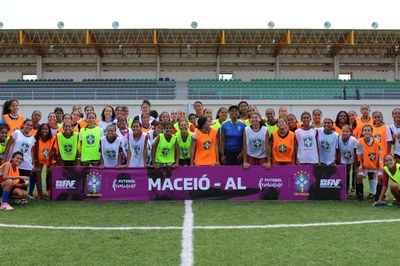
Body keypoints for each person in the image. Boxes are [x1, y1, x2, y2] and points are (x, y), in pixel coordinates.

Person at [2, 119, 36, 197]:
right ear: (23, 125)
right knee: (11, 182)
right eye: (27, 124)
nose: (29, 126)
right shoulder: (17, 133)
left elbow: (31, 152)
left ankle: (21, 198)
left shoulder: (32, 138)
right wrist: (5, 158)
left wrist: (33, 164)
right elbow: (8, 146)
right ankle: (8, 197)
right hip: (15, 163)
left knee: (23, 185)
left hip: (26, 164)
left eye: (31, 125)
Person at [355, 124, 382, 201]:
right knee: (359, 176)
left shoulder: (377, 142)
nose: (367, 132)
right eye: (365, 130)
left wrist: (379, 166)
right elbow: (359, 156)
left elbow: (379, 156)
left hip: (375, 164)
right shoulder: (359, 142)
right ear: (362, 132)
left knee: (381, 177)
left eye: (369, 130)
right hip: (365, 165)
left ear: (372, 132)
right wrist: (360, 167)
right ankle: (360, 196)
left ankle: (377, 196)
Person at [34, 123, 58, 199]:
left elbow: (54, 152)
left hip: (50, 160)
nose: (44, 130)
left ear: (49, 130)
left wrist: (50, 165)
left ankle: (51, 192)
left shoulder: (53, 138)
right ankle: (40, 193)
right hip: (40, 160)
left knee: (51, 172)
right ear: (40, 130)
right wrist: (37, 165)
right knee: (37, 172)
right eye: (43, 129)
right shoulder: (37, 139)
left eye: (46, 129)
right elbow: (35, 152)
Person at [338, 125, 357, 194]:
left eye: (347, 131)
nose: (345, 133)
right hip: (344, 158)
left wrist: (355, 163)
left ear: (350, 133)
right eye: (343, 131)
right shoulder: (339, 139)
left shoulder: (353, 140)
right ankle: (346, 187)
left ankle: (354, 186)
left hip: (352, 157)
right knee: (346, 172)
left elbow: (355, 152)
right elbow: (338, 151)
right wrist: (340, 162)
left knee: (354, 171)